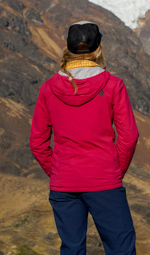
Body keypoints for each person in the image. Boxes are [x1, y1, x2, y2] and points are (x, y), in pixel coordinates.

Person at [30, 21, 139, 255]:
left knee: (71, 249)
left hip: (64, 184)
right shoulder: (113, 85)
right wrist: (113, 171)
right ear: (98, 47)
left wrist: (59, 171)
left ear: (68, 49)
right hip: (104, 181)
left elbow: (37, 143)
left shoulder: (48, 88)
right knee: (121, 249)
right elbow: (129, 136)